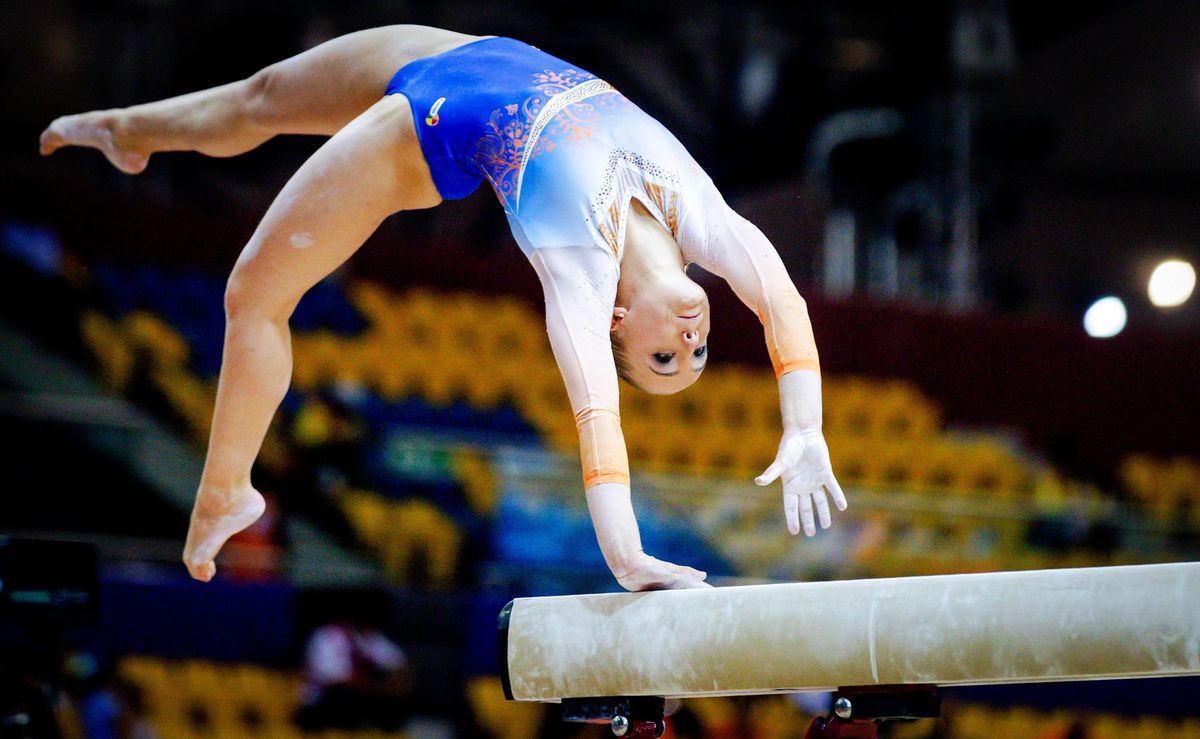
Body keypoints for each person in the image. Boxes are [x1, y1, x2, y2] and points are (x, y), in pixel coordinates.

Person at [40, 25, 846, 591]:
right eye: (696, 356)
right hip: (463, 53)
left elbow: (599, 425)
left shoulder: (580, 273)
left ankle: (225, 489)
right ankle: (131, 131)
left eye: (665, 359)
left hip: (425, 135)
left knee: (252, 294)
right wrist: (803, 426)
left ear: (614, 323)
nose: (692, 343)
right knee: (264, 96)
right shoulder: (701, 216)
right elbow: (780, 305)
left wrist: (627, 554)